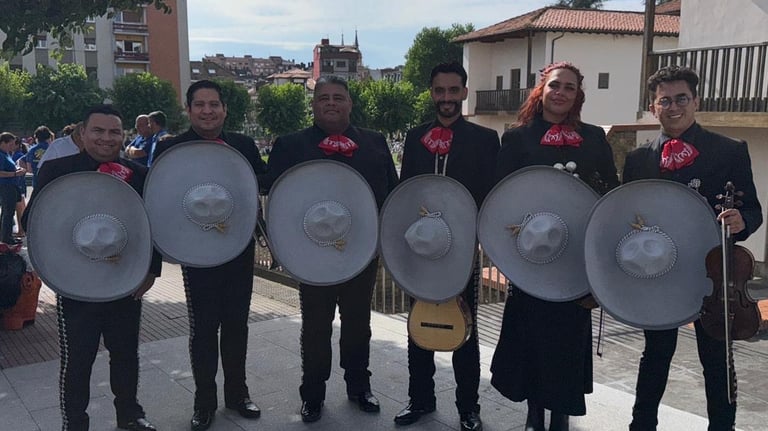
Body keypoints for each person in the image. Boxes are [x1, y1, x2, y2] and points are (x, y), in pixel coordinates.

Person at [623, 66, 762, 431]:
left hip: (712, 276)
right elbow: (624, 218)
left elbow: (753, 211)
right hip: (657, 274)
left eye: (681, 98)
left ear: (695, 101)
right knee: (655, 355)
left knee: (716, 359)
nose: (673, 106)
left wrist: (741, 220)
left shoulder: (730, 150)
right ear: (653, 107)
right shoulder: (638, 161)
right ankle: (641, 426)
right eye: (664, 100)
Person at [490, 62, 619, 431]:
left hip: (575, 256)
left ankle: (561, 415)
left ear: (579, 95)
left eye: (570, 87)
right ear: (541, 90)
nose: (561, 92)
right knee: (530, 336)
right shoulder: (517, 138)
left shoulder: (595, 138)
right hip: (530, 254)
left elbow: (609, 192)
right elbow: (503, 197)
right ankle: (534, 415)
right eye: (555, 85)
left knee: (567, 339)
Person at [262, 75, 398, 423]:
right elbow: (275, 201)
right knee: (315, 325)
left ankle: (359, 385)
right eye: (324, 98)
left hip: (362, 252)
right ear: (314, 104)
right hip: (310, 253)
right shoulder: (290, 145)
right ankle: (313, 394)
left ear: (350, 103)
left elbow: (391, 197)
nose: (332, 103)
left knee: (358, 323)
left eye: (339, 97)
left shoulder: (374, 143)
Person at [21, 105, 161, 431]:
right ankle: (75, 422)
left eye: (114, 132)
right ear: (82, 134)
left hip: (124, 279)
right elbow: (32, 223)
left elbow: (152, 229)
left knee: (125, 353)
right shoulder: (57, 170)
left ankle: (130, 413)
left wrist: (151, 270)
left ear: (122, 136)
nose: (106, 138)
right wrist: (48, 265)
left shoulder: (137, 174)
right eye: (98, 130)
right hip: (76, 281)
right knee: (78, 359)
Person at [152, 80, 265, 431]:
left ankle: (238, 393)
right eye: (199, 105)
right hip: (194, 249)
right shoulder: (172, 147)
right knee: (203, 328)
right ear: (189, 110)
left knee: (236, 325)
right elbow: (159, 198)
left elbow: (262, 186)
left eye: (214, 104)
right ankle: (204, 401)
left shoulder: (243, 145)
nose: (207, 111)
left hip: (238, 247)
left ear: (224, 109)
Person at [392, 62, 499, 431]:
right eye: (440, 91)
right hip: (420, 250)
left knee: (465, 329)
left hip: (461, 252)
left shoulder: (486, 139)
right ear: (432, 93)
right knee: (417, 325)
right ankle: (420, 399)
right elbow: (405, 191)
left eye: (454, 91)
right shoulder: (414, 136)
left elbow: (489, 197)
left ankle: (468, 407)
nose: (447, 98)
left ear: (465, 93)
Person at [0, 133, 26, 245]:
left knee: (8, 212)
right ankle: (6, 237)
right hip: (6, 186)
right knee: (8, 212)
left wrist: (17, 169)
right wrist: (15, 174)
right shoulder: (1, 155)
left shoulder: (6, 154)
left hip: (11, 185)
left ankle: (5, 235)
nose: (12, 147)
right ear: (2, 143)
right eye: (10, 144)